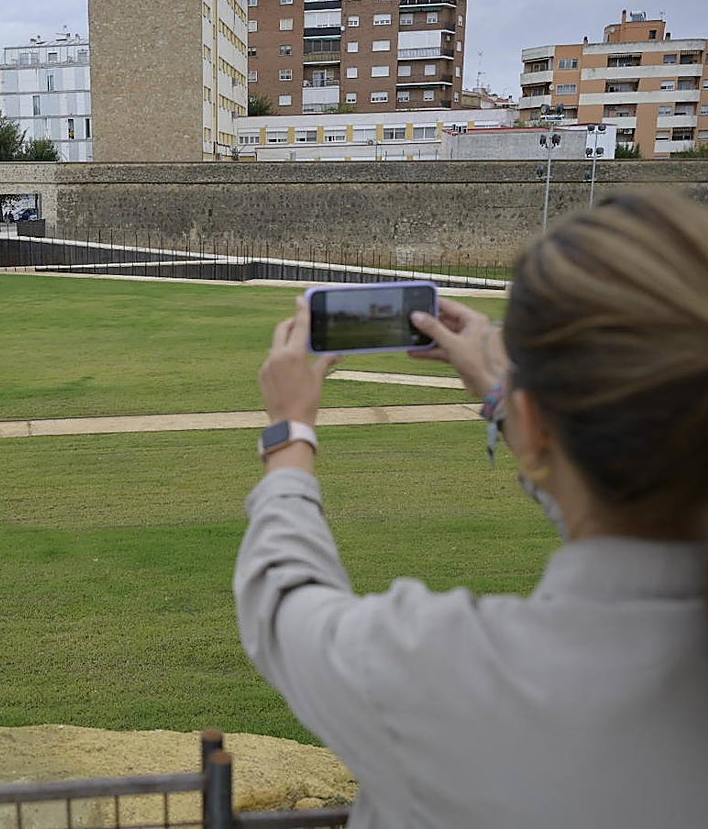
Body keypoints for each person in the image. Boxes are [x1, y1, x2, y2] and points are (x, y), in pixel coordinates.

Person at [234, 190, 708, 829]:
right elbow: (646, 497)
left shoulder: (442, 675)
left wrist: (289, 431)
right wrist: (507, 400)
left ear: (534, 423)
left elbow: (282, 599)